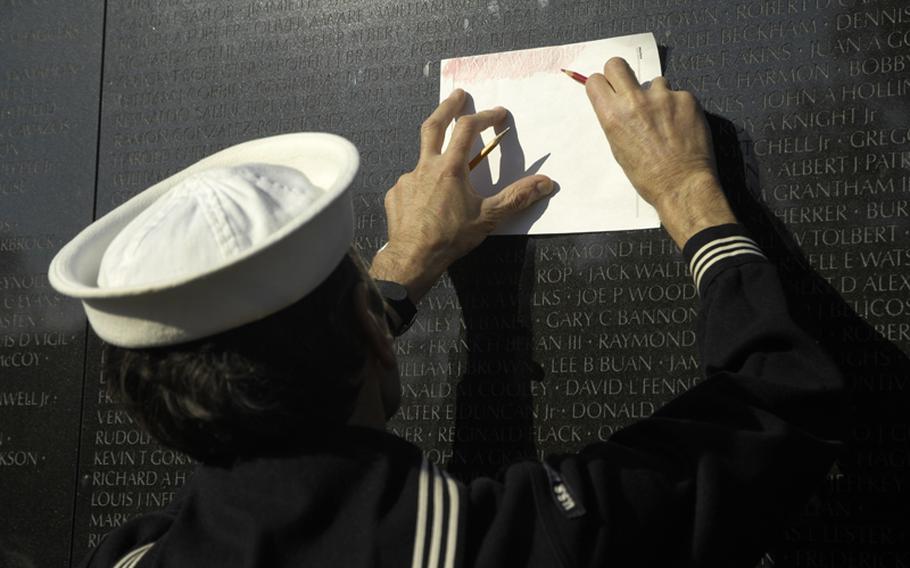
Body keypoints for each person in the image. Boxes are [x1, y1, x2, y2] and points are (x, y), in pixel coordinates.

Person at [52, 58, 846, 568]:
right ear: (371, 334)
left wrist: (397, 274)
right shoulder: (538, 545)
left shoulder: (130, 559)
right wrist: (684, 189)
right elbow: (780, 402)